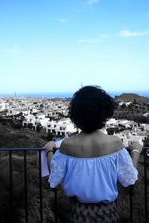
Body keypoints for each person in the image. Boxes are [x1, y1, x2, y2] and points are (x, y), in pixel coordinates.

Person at [45, 86, 142, 222]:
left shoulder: (66, 145)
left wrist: (49, 150)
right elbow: (130, 179)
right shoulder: (115, 143)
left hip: (77, 214)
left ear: (76, 115)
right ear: (104, 114)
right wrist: (136, 150)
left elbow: (54, 178)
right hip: (108, 214)